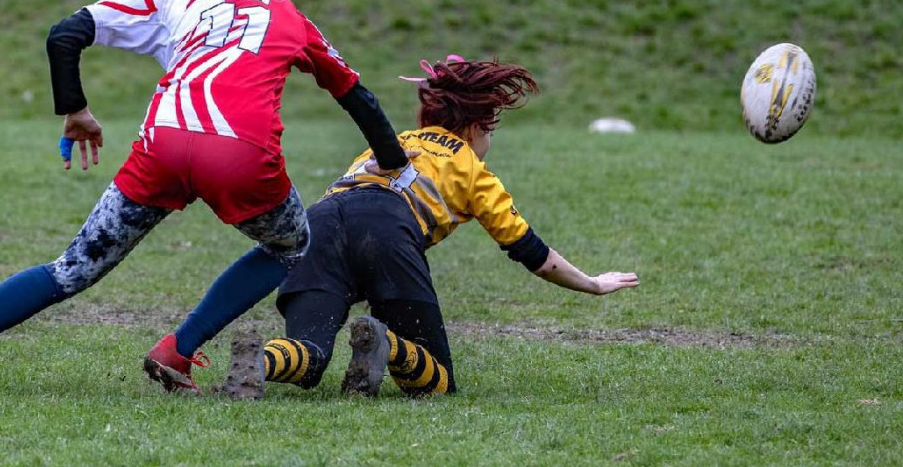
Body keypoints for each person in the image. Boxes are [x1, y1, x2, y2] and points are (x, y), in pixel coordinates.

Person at [0, 0, 409, 388]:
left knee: (72, 268)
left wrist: (77, 110)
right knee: (291, 247)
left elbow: (64, 34)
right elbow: (355, 95)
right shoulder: (285, 9)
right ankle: (177, 350)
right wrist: (393, 164)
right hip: (240, 155)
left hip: (162, 145)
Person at [184, 55, 640, 400]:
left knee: (308, 354)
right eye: (491, 132)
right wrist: (593, 285)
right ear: (479, 125)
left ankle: (258, 360)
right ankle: (387, 344)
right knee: (436, 381)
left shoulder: (394, 143)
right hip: (386, 230)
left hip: (318, 223)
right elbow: (532, 253)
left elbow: (351, 199)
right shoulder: (470, 167)